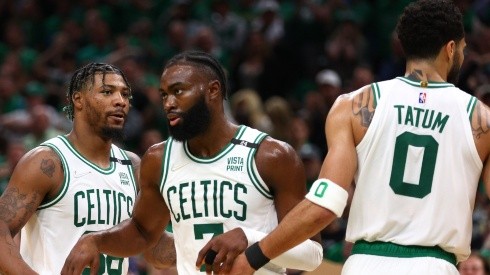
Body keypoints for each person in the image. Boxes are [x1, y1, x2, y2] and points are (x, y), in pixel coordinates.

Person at [223, 0, 490, 274]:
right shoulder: (482, 119)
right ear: (450, 48)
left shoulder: (353, 105)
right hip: (435, 265)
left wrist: (255, 256)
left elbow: (325, 204)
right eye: (462, 48)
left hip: (364, 264)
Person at [61, 51, 323, 275]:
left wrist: (250, 238)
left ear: (213, 90)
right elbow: (142, 232)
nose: (169, 103)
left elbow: (312, 254)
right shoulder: (158, 159)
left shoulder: (271, 156)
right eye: (164, 95)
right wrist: (95, 241)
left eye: (178, 91)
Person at [0, 62, 140, 274]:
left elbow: (151, 242)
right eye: (107, 92)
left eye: (125, 94)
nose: (120, 101)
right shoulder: (48, 162)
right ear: (78, 99)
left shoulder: (132, 165)